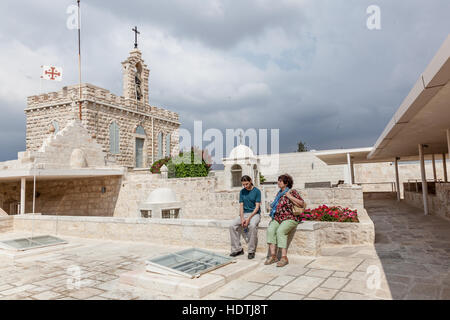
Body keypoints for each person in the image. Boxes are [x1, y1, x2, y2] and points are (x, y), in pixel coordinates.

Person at [265, 174, 305, 267]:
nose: (278, 182)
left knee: (280, 231)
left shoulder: (292, 192)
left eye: (280, 181)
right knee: (270, 230)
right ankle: (273, 256)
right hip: (278, 218)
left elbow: (301, 203)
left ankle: (284, 257)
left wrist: (289, 196)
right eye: (278, 181)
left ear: (286, 183)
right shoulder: (279, 193)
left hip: (290, 217)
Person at [229, 175, 261, 259]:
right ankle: (237, 249)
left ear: (250, 181)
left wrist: (248, 219)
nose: (245, 186)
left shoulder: (257, 191)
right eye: (243, 185)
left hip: (254, 214)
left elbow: (257, 207)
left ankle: (251, 251)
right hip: (244, 214)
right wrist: (243, 218)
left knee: (252, 226)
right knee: (232, 225)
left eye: (246, 184)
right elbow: (241, 206)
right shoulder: (242, 192)